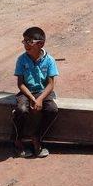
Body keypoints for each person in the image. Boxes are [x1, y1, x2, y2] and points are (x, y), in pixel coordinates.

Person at [12, 27, 59, 158]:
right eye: (24, 41)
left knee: (52, 110)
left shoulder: (49, 60)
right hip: (26, 92)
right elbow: (20, 84)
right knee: (21, 110)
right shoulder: (21, 59)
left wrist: (39, 99)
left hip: (43, 92)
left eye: (29, 41)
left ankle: (37, 137)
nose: (26, 44)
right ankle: (18, 141)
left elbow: (51, 84)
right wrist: (33, 98)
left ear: (41, 44)